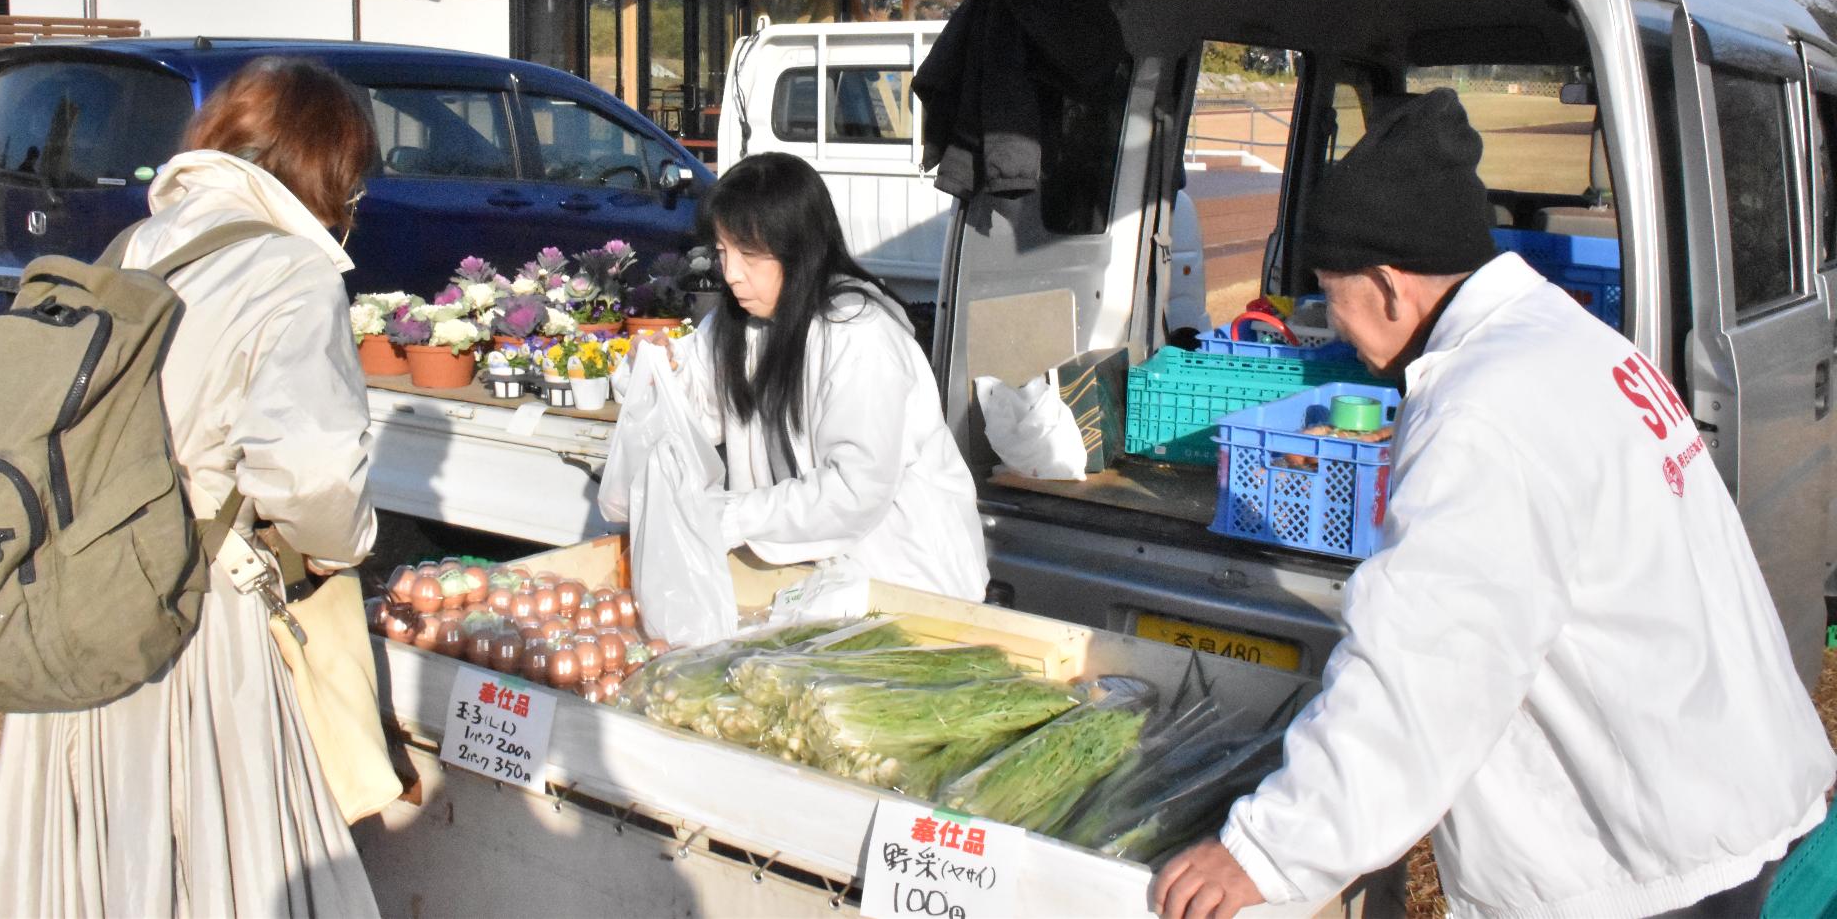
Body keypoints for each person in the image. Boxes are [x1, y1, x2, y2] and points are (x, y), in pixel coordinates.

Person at [1152, 90, 1833, 919]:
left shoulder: (1484, 412)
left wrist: (1265, 852)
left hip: (1651, 860)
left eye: (1333, 294)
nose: (1332, 321)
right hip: (1722, 788)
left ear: (1388, 285)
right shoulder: (1565, 341)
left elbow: (1426, 670)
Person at [0, 58, 384, 917]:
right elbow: (312, 477)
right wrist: (342, 549)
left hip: (79, 593)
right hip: (192, 611)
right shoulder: (289, 270)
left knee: (93, 852)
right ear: (328, 170)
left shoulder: (132, 246)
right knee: (213, 845)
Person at [644, 151, 988, 601]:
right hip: (813, 587)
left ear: (799, 249)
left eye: (749, 255)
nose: (731, 275)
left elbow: (853, 490)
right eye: (723, 253)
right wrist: (658, 374)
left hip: (907, 588)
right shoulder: (740, 321)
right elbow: (697, 413)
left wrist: (730, 516)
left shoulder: (859, 336)